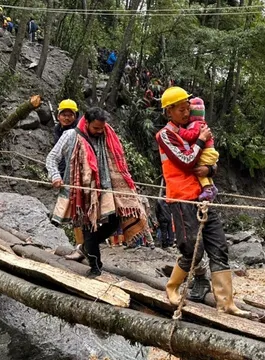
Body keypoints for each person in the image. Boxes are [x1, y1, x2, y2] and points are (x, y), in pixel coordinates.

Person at [156, 86, 245, 315]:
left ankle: (226, 303)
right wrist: (200, 141)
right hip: (182, 198)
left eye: (188, 109)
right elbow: (185, 162)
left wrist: (211, 168)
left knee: (219, 246)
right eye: (181, 110)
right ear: (169, 112)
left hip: (204, 195)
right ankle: (172, 287)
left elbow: (207, 163)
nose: (186, 114)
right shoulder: (165, 135)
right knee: (192, 250)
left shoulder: (195, 130)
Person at [47, 107, 147, 277]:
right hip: (83, 192)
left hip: (106, 188)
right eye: (96, 128)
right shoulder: (70, 136)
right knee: (89, 227)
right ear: (86, 122)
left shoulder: (108, 134)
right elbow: (51, 158)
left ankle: (86, 247)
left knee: (114, 222)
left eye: (102, 128)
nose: (100, 131)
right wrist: (55, 176)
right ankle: (95, 267)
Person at [178, 97, 219, 201]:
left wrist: (180, 131)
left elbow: (191, 135)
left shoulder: (196, 125)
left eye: (188, 110)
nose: (186, 114)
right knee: (202, 168)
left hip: (206, 152)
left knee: (199, 169)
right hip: (210, 151)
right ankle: (211, 187)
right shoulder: (202, 124)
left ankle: (207, 189)